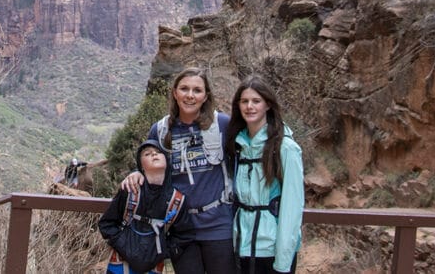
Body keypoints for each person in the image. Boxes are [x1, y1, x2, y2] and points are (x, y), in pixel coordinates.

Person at [122, 66, 234, 273]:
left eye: (197, 90)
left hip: (218, 225)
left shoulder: (222, 124)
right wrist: (138, 173)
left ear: (205, 96)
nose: (190, 95)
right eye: (184, 89)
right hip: (180, 228)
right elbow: (149, 164)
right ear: (175, 93)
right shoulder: (161, 130)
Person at [225, 75, 304, 274]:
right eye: (244, 101)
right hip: (240, 245)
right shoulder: (238, 146)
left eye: (256, 101)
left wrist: (283, 261)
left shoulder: (285, 148)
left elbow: (292, 208)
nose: (249, 106)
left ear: (268, 105)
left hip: (271, 249)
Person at [100, 140, 195, 273]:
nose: (154, 155)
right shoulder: (130, 190)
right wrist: (123, 244)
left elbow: (185, 235)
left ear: (167, 161)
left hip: (153, 266)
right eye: (147, 154)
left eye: (158, 152)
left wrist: (162, 253)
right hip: (121, 265)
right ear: (141, 165)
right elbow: (106, 224)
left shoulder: (177, 200)